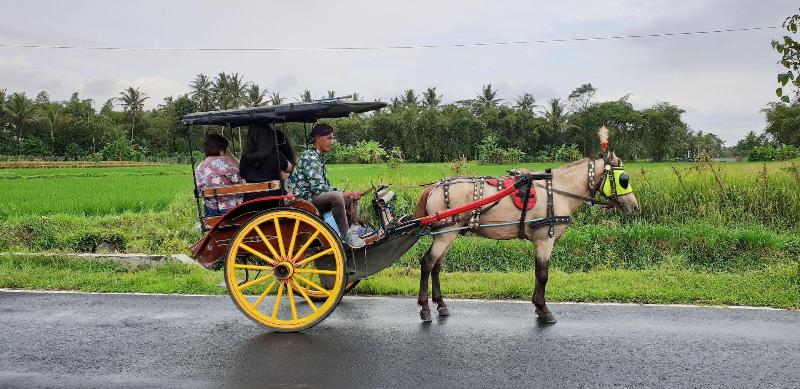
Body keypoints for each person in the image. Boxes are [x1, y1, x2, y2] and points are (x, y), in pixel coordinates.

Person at [293, 123, 365, 248]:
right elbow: (318, 188)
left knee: (351, 198)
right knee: (337, 197)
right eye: (329, 138)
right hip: (306, 199)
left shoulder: (319, 157)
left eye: (333, 138)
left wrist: (347, 193)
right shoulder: (310, 157)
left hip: (315, 196)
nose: (332, 141)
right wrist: (341, 194)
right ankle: (345, 234)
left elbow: (326, 186)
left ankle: (355, 228)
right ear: (318, 138)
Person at [239, 122, 295, 202]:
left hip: (251, 201)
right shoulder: (274, 153)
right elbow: (289, 169)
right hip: (273, 200)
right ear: (269, 135)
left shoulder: (245, 156)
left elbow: (243, 174)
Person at [195, 134, 242, 216]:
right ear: (221, 150)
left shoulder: (199, 167)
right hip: (229, 209)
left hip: (210, 209)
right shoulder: (224, 164)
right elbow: (239, 179)